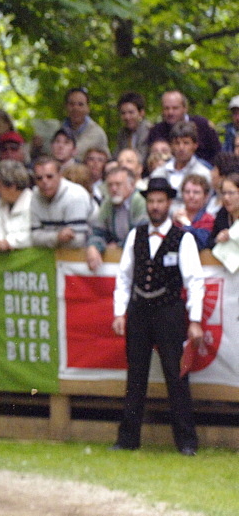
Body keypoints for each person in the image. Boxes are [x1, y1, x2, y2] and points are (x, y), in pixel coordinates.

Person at [110, 177, 205, 456]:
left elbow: (195, 281)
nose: (155, 206)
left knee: (176, 377)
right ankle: (127, 439)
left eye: (160, 201)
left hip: (169, 311)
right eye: (151, 201)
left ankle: (186, 442)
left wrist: (195, 319)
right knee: (135, 375)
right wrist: (119, 312)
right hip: (139, 311)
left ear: (169, 204)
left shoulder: (183, 237)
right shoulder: (135, 235)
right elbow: (124, 277)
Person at [85, 166, 146, 271]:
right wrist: (93, 247)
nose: (113, 189)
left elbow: (141, 234)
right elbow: (98, 231)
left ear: (131, 185)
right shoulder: (108, 203)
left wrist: (119, 246)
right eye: (110, 185)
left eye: (118, 184)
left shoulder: (140, 200)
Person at [29, 156, 91, 248]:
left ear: (60, 175)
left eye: (49, 176)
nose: (44, 181)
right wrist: (57, 237)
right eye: (39, 178)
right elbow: (32, 237)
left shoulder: (75, 196)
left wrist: (45, 238)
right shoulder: (34, 195)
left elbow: (78, 240)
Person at [147, 90, 220, 164]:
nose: (170, 112)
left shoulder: (202, 125)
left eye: (175, 108)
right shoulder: (156, 131)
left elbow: (217, 152)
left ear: (185, 108)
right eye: (166, 108)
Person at [0, 160, 33, 253]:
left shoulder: (34, 204)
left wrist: (10, 242)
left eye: (0, 186)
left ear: (12, 186)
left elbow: (34, 236)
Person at [150, 121, 211, 198]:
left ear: (195, 145)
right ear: (171, 145)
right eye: (177, 143)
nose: (181, 148)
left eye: (186, 143)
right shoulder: (159, 173)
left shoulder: (203, 174)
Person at [172, 174, 215, 250]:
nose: (191, 196)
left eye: (196, 192)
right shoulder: (176, 218)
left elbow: (202, 243)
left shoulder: (209, 219)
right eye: (187, 192)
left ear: (205, 196)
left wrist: (186, 223)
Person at [61, 88, 110, 157]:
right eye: (71, 104)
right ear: (66, 107)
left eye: (80, 104)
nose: (75, 108)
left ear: (88, 108)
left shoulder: (97, 134)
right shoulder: (58, 130)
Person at [115, 92, 151, 163]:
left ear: (141, 113)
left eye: (131, 112)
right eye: (123, 113)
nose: (127, 117)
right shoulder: (122, 133)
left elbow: (142, 158)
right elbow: (116, 156)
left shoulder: (148, 131)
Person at [210, 173, 239, 249]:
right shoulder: (223, 213)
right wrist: (217, 240)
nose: (226, 198)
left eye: (231, 193)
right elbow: (209, 243)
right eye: (224, 193)